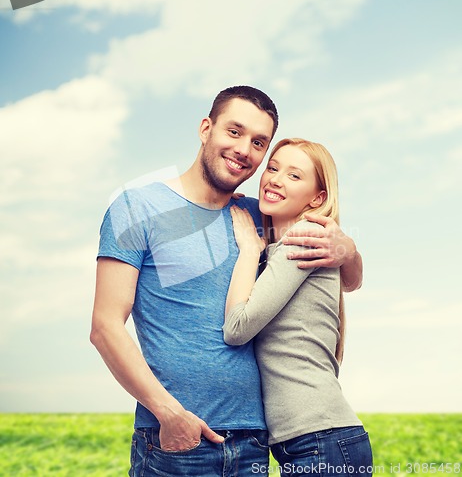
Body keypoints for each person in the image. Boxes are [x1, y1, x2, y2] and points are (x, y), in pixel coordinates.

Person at [90, 87, 363, 477]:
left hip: (255, 443)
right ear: (206, 128)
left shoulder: (261, 215)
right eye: (234, 132)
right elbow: (104, 327)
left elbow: (345, 281)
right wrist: (170, 414)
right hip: (178, 439)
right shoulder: (137, 208)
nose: (244, 150)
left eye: (258, 143)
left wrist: (348, 249)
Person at [222, 138, 373, 476]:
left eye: (294, 176)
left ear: (317, 198)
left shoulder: (304, 238)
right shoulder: (286, 245)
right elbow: (351, 281)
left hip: (321, 440)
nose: (275, 179)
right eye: (273, 168)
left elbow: (236, 329)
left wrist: (248, 248)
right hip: (316, 440)